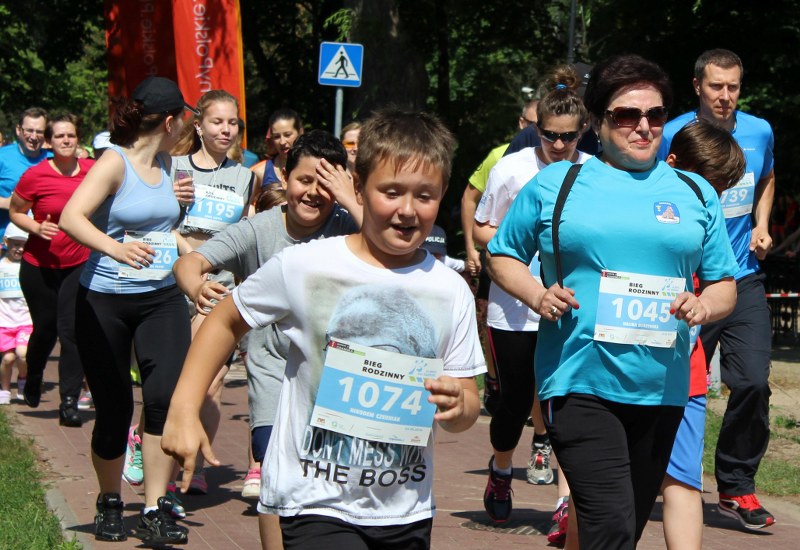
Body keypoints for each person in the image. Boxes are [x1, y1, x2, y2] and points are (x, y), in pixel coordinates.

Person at [163, 109, 485, 550]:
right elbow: (226, 318)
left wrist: (459, 405)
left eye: (424, 196)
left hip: (405, 507)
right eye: (391, 192)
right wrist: (183, 407)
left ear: (443, 193)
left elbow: (467, 403)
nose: (407, 210)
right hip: (314, 500)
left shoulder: (450, 290)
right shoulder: (307, 266)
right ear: (358, 187)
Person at [487, 54, 738, 550]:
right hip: (579, 379)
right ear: (598, 121)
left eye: (655, 115)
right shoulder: (557, 184)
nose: (643, 126)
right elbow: (501, 255)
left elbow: (723, 283)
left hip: (661, 388)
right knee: (611, 523)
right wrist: (537, 293)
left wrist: (704, 306)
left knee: (626, 523)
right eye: (627, 115)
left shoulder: (694, 191)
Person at [172, 129, 360, 550]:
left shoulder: (349, 225)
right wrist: (196, 286)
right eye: (304, 180)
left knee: (329, 485)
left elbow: (395, 244)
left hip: (336, 376)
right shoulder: (258, 230)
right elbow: (190, 262)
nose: (313, 193)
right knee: (275, 476)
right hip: (275, 373)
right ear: (284, 177)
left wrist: (349, 200)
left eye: (325, 184)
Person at [59, 76, 198, 545]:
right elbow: (71, 217)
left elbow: (160, 227)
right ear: (169, 121)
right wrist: (114, 249)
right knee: (115, 409)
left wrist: (183, 220)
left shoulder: (167, 162)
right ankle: (110, 501)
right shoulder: (113, 162)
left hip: (160, 297)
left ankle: (154, 508)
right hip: (104, 300)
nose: (188, 125)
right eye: (186, 117)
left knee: (162, 399)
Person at [657, 48, 777, 531]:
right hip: (686, 283)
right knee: (670, 383)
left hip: (741, 275)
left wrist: (761, 225)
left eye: (733, 87)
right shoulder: (671, 133)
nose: (725, 96)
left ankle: (736, 486)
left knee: (752, 380)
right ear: (697, 87)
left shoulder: (760, 132)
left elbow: (767, 177)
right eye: (716, 86)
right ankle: (661, 472)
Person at [475, 66, 590, 545]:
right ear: (535, 129)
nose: (558, 145)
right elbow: (483, 228)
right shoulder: (511, 169)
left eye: (568, 137)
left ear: (582, 131)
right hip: (515, 309)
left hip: (570, 308)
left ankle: (566, 501)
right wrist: (519, 249)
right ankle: (502, 467)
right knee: (516, 400)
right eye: (549, 136)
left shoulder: (593, 172)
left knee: (567, 401)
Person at [164, 89, 258, 496]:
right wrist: (190, 252)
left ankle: (194, 465)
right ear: (199, 126)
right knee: (175, 376)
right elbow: (158, 222)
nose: (226, 129)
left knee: (211, 381)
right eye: (217, 121)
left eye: (232, 122)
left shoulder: (245, 177)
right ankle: (153, 444)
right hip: (176, 278)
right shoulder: (173, 166)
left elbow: (246, 232)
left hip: (221, 284)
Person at [660, 119, 746, 550]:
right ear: (673, 163)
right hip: (609, 372)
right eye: (710, 184)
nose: (716, 196)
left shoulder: (709, 222)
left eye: (724, 188)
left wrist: (705, 305)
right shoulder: (628, 202)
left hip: (683, 372)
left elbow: (725, 286)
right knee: (606, 487)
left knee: (682, 481)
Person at [10, 113, 92, 427]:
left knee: (72, 332)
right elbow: (16, 211)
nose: (66, 140)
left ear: (78, 138)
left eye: (71, 135)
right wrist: (35, 227)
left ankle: (68, 403)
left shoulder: (92, 171)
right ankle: (33, 375)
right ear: (49, 142)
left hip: (79, 263)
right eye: (59, 136)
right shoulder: (36, 175)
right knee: (45, 329)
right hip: (39, 266)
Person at [0, 108, 49, 239]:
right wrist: (6, 203)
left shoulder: (53, 159)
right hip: (4, 242)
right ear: (18, 130)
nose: (34, 137)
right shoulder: (2, 156)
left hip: (40, 240)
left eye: (39, 132)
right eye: (29, 130)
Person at [0, 222, 31, 405]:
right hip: (5, 323)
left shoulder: (28, 268)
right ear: (6, 242)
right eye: (16, 244)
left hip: (25, 321)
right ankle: (5, 390)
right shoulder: (1, 267)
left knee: (22, 354)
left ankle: (23, 379)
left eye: (24, 245)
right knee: (8, 358)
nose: (20, 249)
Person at [252, 109, 304, 188]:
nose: (282, 142)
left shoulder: (314, 167)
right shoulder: (260, 172)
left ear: (300, 133)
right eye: (276, 137)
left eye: (287, 135)